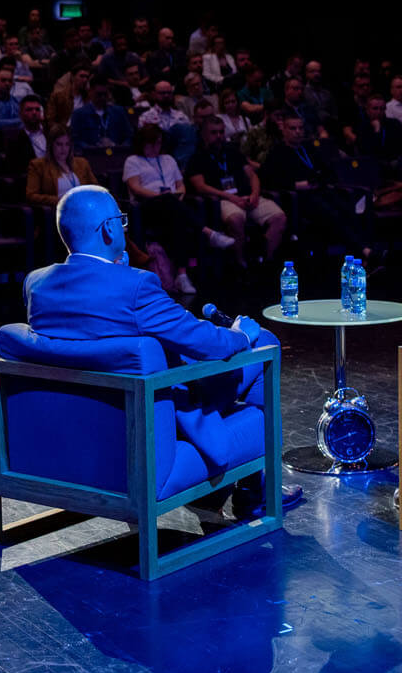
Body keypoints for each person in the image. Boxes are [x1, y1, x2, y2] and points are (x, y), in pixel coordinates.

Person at [23, 185, 299, 515]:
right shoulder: (136, 286)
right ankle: (254, 490)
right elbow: (205, 342)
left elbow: (94, 329)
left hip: (78, 434)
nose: (124, 227)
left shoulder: (37, 285)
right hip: (150, 421)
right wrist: (239, 335)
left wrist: (118, 271)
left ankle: (243, 485)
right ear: (109, 229)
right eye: (121, 220)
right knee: (263, 342)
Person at [123, 125, 236, 295]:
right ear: (142, 143)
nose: (155, 148)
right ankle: (209, 233)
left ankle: (182, 276)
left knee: (178, 221)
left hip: (173, 206)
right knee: (170, 202)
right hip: (147, 206)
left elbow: (180, 185)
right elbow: (135, 187)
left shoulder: (168, 159)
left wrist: (179, 196)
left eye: (158, 143)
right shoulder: (133, 161)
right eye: (151, 144)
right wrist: (160, 196)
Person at [260, 111, 373, 261]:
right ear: (284, 130)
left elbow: (327, 170)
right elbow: (270, 180)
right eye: (293, 128)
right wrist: (298, 185)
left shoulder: (308, 148)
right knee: (331, 213)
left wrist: (320, 180)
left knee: (347, 207)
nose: (298, 132)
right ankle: (364, 252)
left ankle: (363, 251)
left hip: (319, 190)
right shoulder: (277, 152)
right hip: (298, 197)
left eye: (300, 128)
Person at [185, 116, 288, 269]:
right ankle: (241, 264)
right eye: (214, 133)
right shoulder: (197, 158)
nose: (219, 136)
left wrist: (255, 194)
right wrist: (230, 197)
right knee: (235, 219)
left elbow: (252, 176)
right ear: (204, 134)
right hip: (223, 199)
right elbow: (200, 187)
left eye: (221, 132)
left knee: (279, 218)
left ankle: (265, 260)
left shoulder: (233, 151)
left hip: (248, 197)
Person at [26, 125, 98, 209]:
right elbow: (31, 195)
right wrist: (59, 200)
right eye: (59, 144)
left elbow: (96, 189)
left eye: (67, 144)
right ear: (51, 145)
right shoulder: (38, 165)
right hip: (58, 210)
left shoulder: (82, 163)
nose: (64, 149)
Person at [69, 76, 133, 151]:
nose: (103, 98)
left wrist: (120, 148)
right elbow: (74, 140)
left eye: (105, 94)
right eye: (99, 94)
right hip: (90, 155)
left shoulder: (119, 112)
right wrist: (92, 149)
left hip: (117, 154)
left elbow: (129, 136)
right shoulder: (78, 114)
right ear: (90, 92)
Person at [2, 94, 48, 177]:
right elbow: (15, 170)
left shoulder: (51, 133)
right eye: (29, 110)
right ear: (21, 114)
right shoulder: (14, 140)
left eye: (37, 109)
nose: (34, 112)